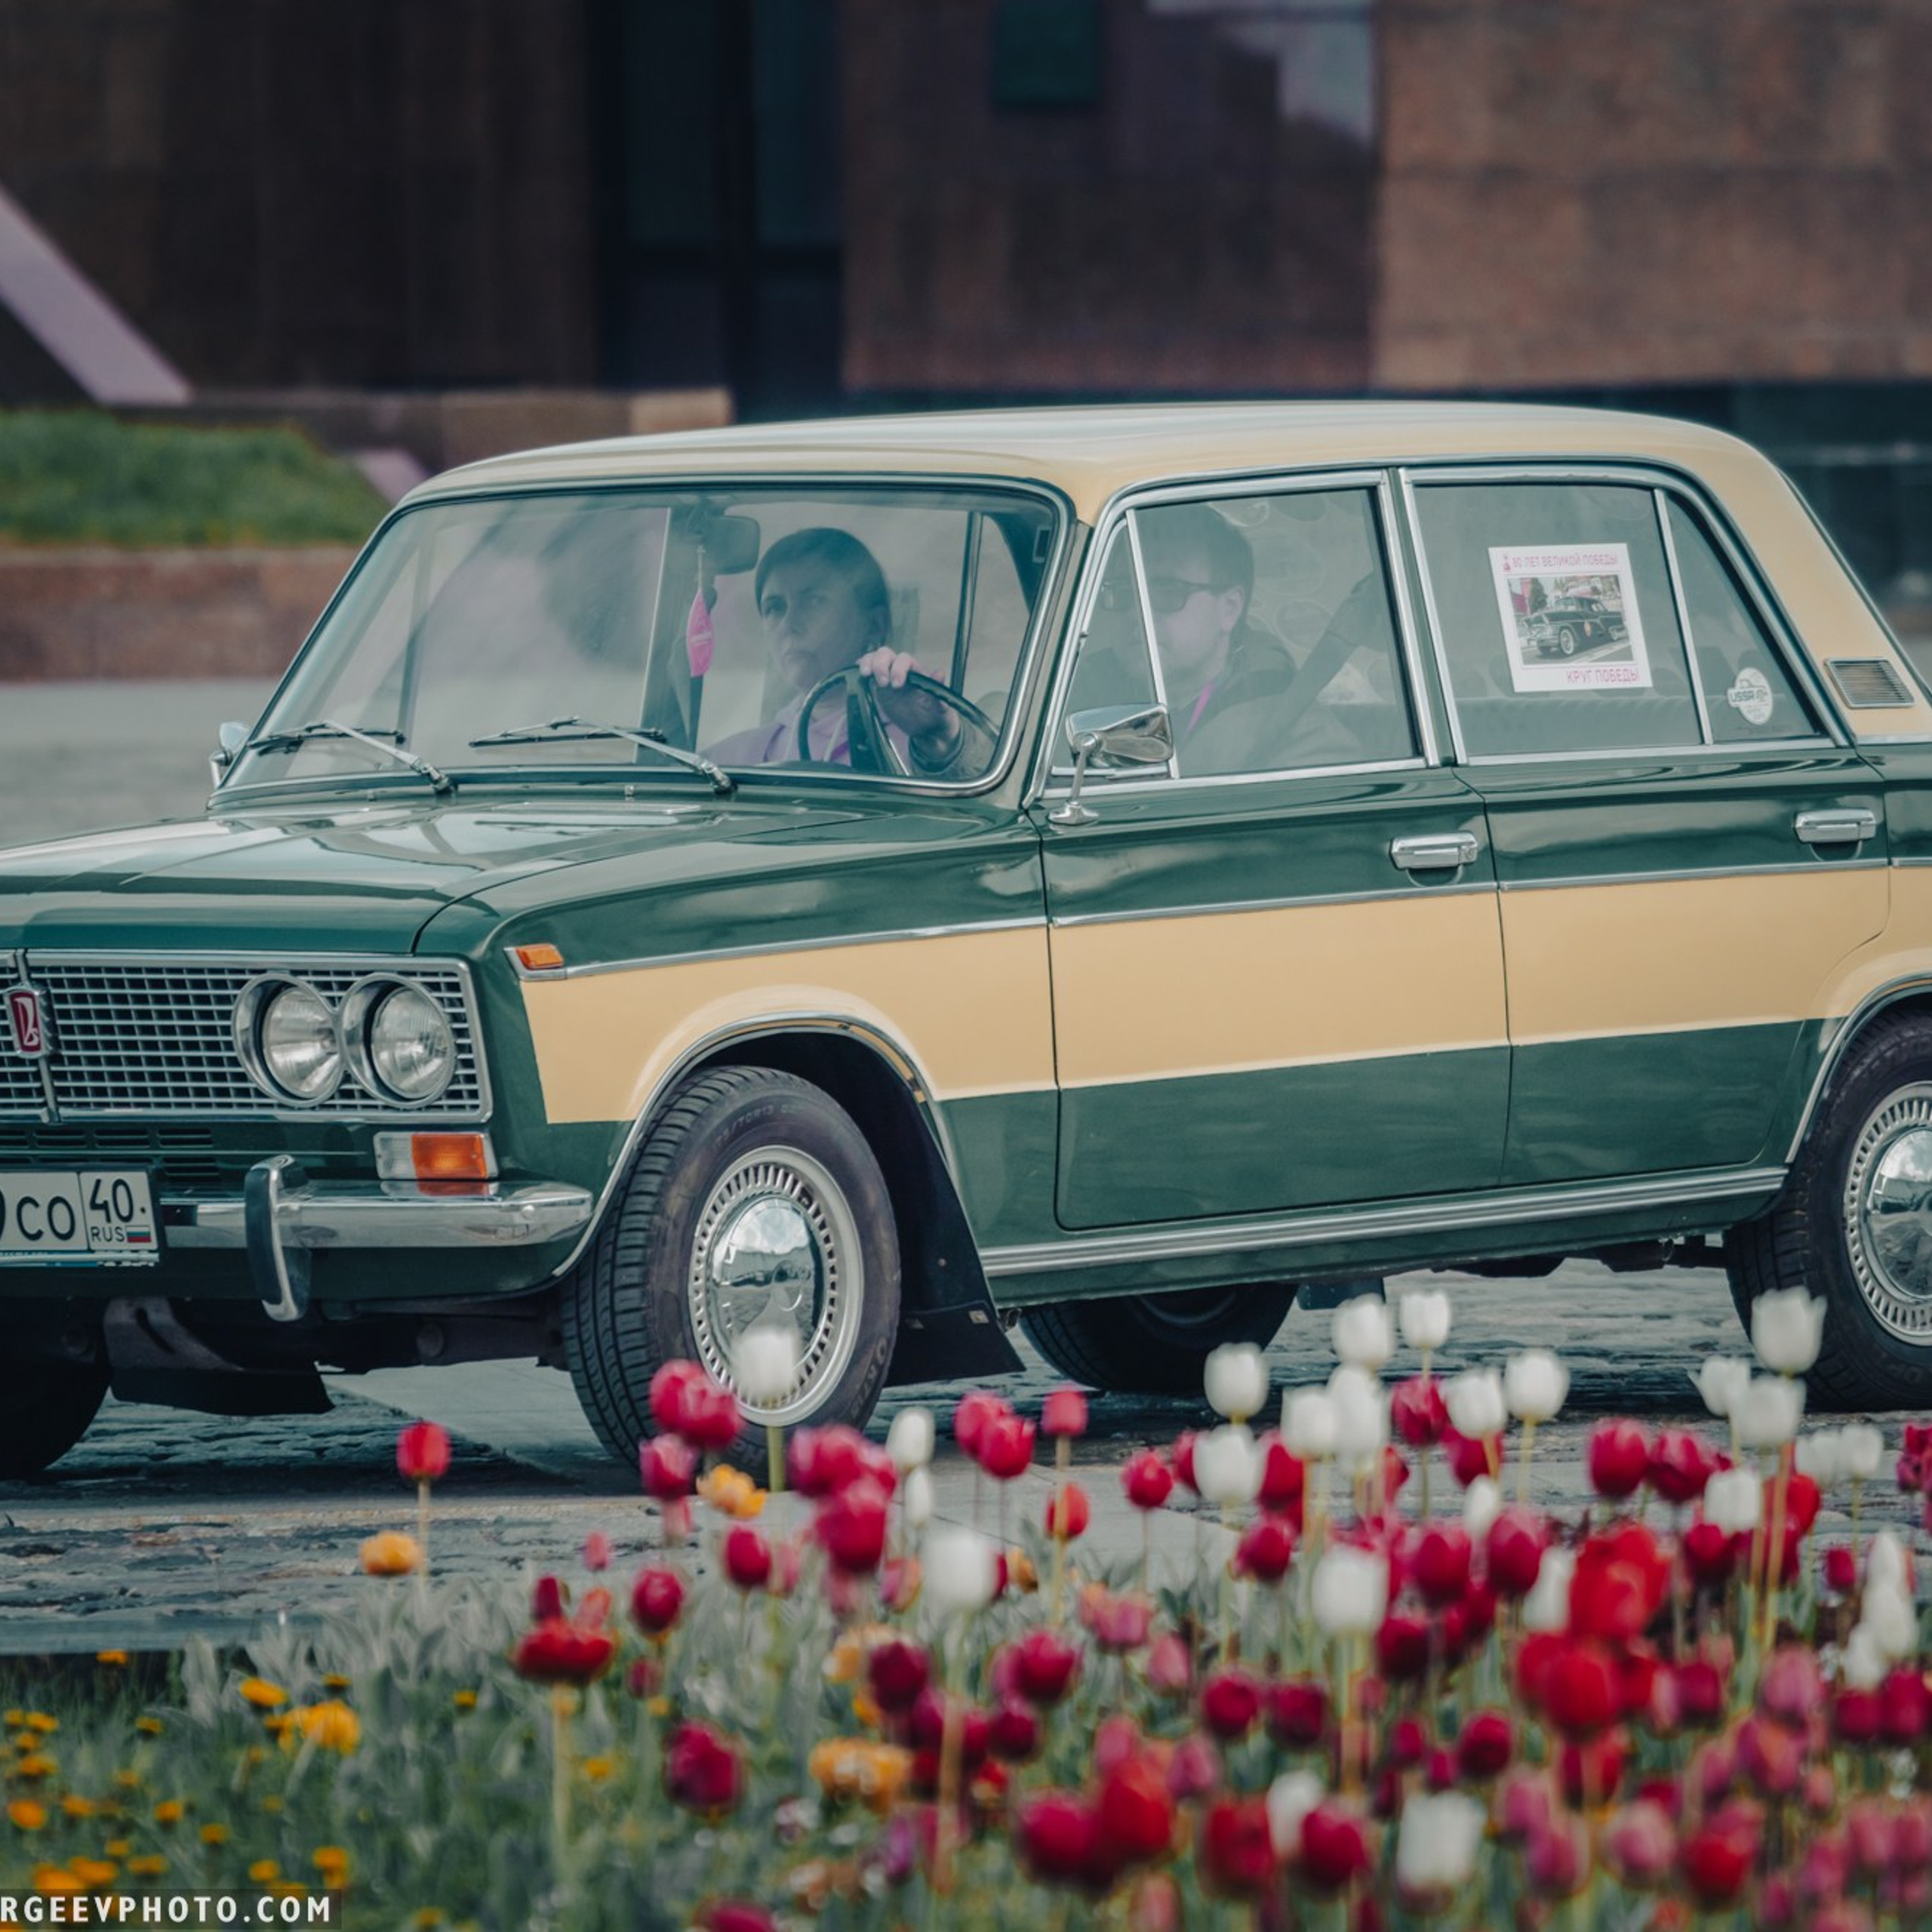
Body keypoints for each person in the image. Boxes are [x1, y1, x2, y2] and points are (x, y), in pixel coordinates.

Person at [704, 527, 969, 773]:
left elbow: (981, 794)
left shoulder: (923, 742)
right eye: (775, 607)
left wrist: (941, 740)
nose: (789, 623)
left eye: (815, 601)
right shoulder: (728, 760)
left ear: (875, 624)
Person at [1134, 504, 1295, 775]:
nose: (1137, 611)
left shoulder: (1286, 726)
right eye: (1125, 589)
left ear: (1230, 608)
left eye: (1168, 590)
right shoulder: (1074, 694)